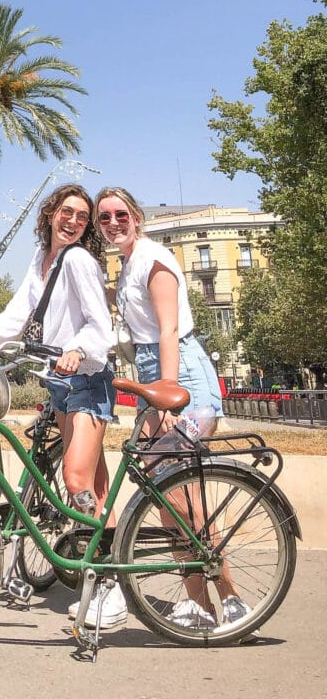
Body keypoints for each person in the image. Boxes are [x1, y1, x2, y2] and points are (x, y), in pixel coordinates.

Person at [0, 185, 119, 627]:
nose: (73, 221)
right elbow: (19, 317)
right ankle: (113, 567)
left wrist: (77, 350)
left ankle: (107, 586)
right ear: (49, 214)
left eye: (82, 218)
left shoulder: (80, 260)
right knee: (97, 487)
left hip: (86, 378)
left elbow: (99, 326)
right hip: (62, 384)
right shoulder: (41, 261)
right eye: (66, 212)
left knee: (76, 477)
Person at [94, 186, 246, 630]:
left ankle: (229, 599)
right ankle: (200, 602)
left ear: (136, 216)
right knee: (164, 496)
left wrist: (168, 396)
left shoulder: (153, 258)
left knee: (183, 496)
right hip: (155, 374)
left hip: (182, 379)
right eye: (104, 218)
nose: (112, 223)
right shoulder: (128, 264)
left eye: (120, 214)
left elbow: (168, 330)